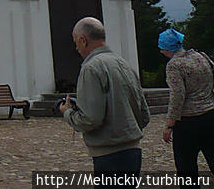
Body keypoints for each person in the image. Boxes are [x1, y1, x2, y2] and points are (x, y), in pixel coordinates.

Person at [59, 17, 150, 178]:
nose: (77, 48)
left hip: (109, 155)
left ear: (83, 40)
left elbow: (90, 120)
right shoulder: (124, 63)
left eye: (76, 43)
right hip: (133, 152)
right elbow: (144, 114)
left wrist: (67, 113)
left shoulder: (91, 68)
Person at [157, 28, 214, 179]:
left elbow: (177, 96)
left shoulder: (174, 65)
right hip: (211, 114)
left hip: (189, 121)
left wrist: (170, 124)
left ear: (165, 48)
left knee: (186, 167)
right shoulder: (201, 56)